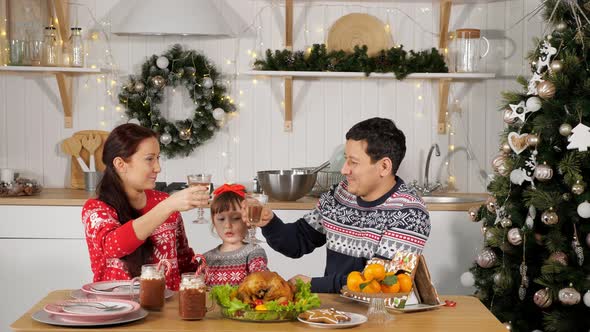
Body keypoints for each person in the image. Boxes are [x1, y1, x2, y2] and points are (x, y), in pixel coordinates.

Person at [244, 117, 431, 293]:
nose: (344, 169)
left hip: (383, 319)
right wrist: (269, 222)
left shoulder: (410, 213)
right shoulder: (339, 194)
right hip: (337, 312)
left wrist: (312, 285)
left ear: (384, 167)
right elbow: (296, 243)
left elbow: (382, 284)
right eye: (345, 158)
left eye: (354, 162)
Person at [81, 123, 209, 291]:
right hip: (118, 310)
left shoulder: (163, 202)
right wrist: (167, 206)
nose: (158, 167)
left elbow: (184, 260)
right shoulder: (96, 209)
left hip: (166, 310)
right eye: (149, 159)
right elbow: (114, 247)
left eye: (158, 158)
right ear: (120, 164)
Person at [203, 184, 268, 286]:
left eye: (236, 218)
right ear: (214, 222)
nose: (228, 225)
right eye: (221, 219)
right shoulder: (206, 258)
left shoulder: (254, 253)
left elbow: (261, 281)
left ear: (248, 220)